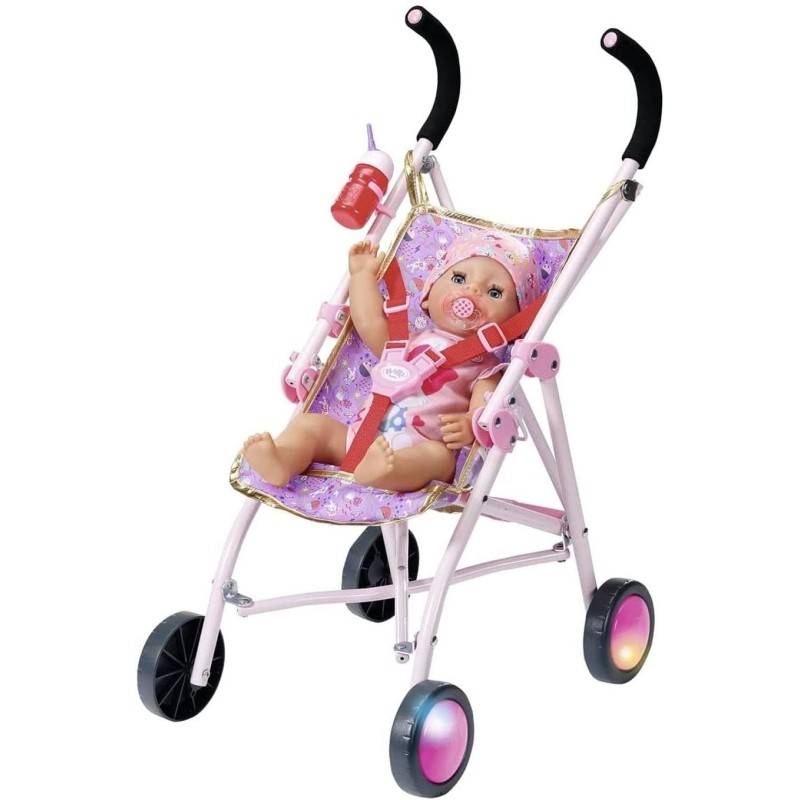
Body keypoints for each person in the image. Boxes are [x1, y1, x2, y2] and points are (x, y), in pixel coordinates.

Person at [243, 229, 539, 492]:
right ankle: (282, 459)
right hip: (359, 439)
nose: (471, 291)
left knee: (437, 457)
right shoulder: (406, 342)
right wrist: (362, 276)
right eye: (459, 279)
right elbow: (369, 322)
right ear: (428, 295)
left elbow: (486, 410)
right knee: (311, 426)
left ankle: (386, 472)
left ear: (514, 322)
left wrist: (469, 424)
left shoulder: (486, 368)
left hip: (420, 452)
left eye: (494, 292)